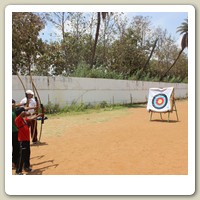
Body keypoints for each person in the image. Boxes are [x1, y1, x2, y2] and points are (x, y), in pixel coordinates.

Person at [15, 107, 43, 175]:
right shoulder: (17, 119)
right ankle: (18, 171)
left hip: (26, 140)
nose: (26, 112)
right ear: (21, 113)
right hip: (22, 140)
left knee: (27, 154)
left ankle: (26, 167)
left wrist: (38, 115)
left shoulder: (24, 119)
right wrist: (25, 112)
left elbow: (31, 118)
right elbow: (22, 114)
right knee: (21, 156)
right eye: (24, 111)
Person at [12, 99, 20, 169]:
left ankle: (14, 162)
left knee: (16, 148)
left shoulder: (14, 111)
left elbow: (24, 108)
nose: (14, 105)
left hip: (15, 132)